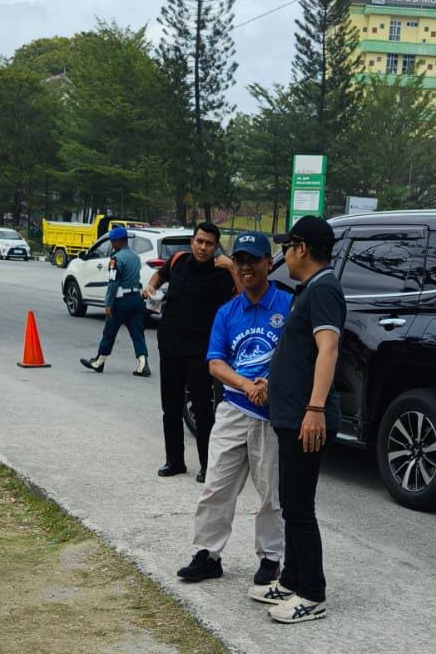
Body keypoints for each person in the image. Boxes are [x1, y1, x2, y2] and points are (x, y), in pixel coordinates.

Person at [176, 231, 290, 588]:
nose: (245, 267)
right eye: (239, 261)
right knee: (216, 487)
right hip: (234, 409)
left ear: (268, 264)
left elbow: (299, 355)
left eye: (253, 260)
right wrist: (245, 385)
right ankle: (207, 555)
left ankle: (271, 559)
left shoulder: (287, 306)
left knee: (270, 492)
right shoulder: (228, 311)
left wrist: (271, 384)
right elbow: (215, 362)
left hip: (271, 417)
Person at [248, 216, 344, 624]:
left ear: (301, 248)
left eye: (287, 246)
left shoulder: (324, 290)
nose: (283, 253)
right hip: (289, 414)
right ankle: (290, 580)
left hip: (307, 417)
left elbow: (329, 350)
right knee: (290, 503)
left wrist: (315, 408)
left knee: (300, 507)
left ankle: (312, 593)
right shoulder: (309, 290)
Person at [142, 221, 240, 483]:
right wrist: (150, 287)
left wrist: (231, 266)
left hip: (201, 351)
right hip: (170, 345)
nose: (203, 247)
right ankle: (174, 460)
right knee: (170, 408)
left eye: (209, 243)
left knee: (203, 410)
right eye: (199, 241)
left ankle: (208, 466)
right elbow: (158, 277)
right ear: (192, 241)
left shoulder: (222, 273)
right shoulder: (177, 261)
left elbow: (243, 298)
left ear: (216, 246)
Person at [80, 226, 151, 377]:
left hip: (121, 300)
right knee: (137, 333)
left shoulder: (116, 259)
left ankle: (99, 362)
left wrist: (108, 303)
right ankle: (143, 363)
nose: (112, 245)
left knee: (109, 332)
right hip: (136, 299)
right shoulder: (135, 257)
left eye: (113, 241)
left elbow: (113, 283)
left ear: (119, 241)